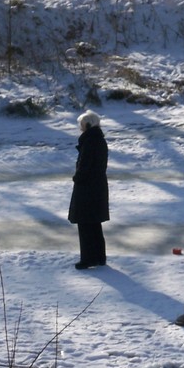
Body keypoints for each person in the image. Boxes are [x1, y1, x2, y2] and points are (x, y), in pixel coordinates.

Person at [68, 110, 109, 269]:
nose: (80, 128)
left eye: (81, 125)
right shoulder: (98, 139)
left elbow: (85, 167)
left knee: (85, 224)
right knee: (94, 224)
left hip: (87, 189)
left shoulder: (90, 141)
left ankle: (88, 258)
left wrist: (76, 178)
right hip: (97, 187)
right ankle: (99, 257)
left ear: (87, 125)